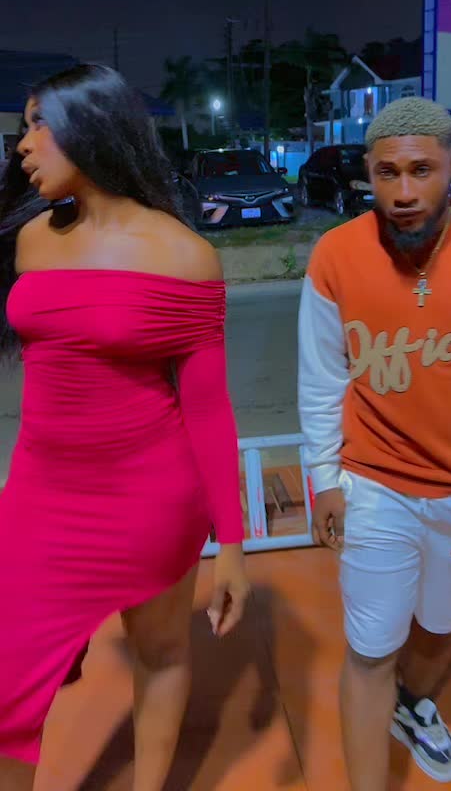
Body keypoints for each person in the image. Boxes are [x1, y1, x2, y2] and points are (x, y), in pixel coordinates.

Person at [0, 65, 248, 791]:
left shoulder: (184, 256)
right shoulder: (32, 240)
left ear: (93, 127)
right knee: (9, 684)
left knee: (162, 652)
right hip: (40, 493)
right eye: (22, 128)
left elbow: (208, 408)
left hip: (150, 498)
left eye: (38, 125)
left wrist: (233, 548)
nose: (23, 145)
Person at [298, 97, 451, 789]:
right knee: (371, 649)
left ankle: (413, 705)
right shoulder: (336, 254)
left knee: (440, 624)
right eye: (387, 173)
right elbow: (320, 377)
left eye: (422, 171)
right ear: (367, 172)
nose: (403, 192)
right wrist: (325, 477)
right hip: (373, 483)